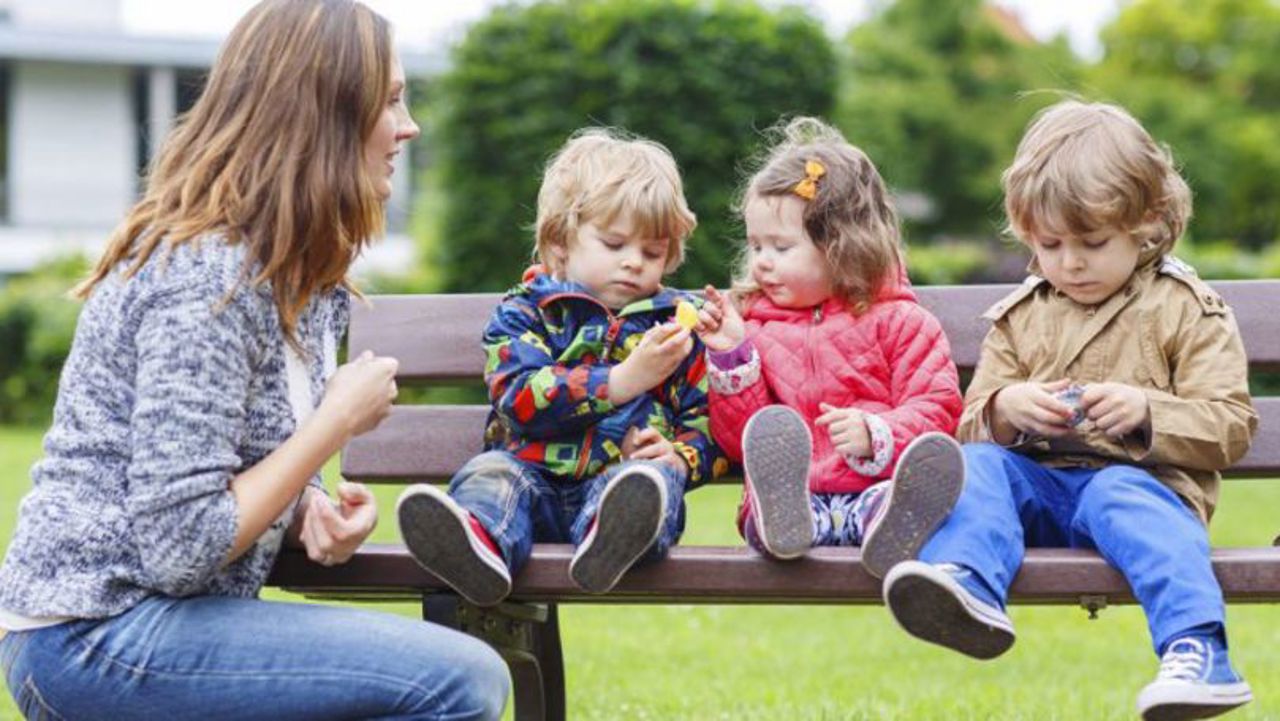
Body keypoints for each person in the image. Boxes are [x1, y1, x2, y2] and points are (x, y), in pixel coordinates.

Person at [0, 2, 510, 719]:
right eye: (391, 100)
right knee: (457, 679)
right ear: (326, 113)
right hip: (94, 633)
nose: (409, 124)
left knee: (457, 672)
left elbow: (224, 469)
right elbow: (178, 545)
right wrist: (331, 426)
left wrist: (310, 511)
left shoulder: (305, 281)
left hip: (158, 624)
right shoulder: (205, 279)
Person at [881, 100, 1258, 721]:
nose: (1070, 262)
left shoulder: (1186, 306)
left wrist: (1146, 412)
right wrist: (1007, 409)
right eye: (1050, 244)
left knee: (1116, 492)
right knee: (976, 463)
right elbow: (971, 419)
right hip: (1040, 490)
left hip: (1145, 494)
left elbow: (1231, 425)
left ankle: (1200, 650)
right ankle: (969, 584)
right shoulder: (1022, 315)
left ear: (1149, 221)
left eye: (1092, 242)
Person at [396, 128, 726, 606]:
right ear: (560, 244)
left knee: (649, 485)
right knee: (490, 473)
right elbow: (519, 396)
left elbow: (712, 421)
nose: (634, 263)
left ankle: (608, 541)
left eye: (652, 253)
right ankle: (477, 551)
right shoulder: (527, 312)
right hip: (531, 482)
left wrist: (677, 455)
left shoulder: (678, 327)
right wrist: (621, 381)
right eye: (615, 244)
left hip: (617, 484)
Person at [694, 117, 965, 577]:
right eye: (755, 245)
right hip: (797, 500)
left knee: (890, 500)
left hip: (876, 487)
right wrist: (732, 356)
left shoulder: (900, 322)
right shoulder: (755, 327)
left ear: (842, 246)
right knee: (768, 508)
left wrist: (876, 432)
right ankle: (783, 516)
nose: (762, 262)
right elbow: (741, 440)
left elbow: (937, 409)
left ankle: (893, 529)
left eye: (780, 247)